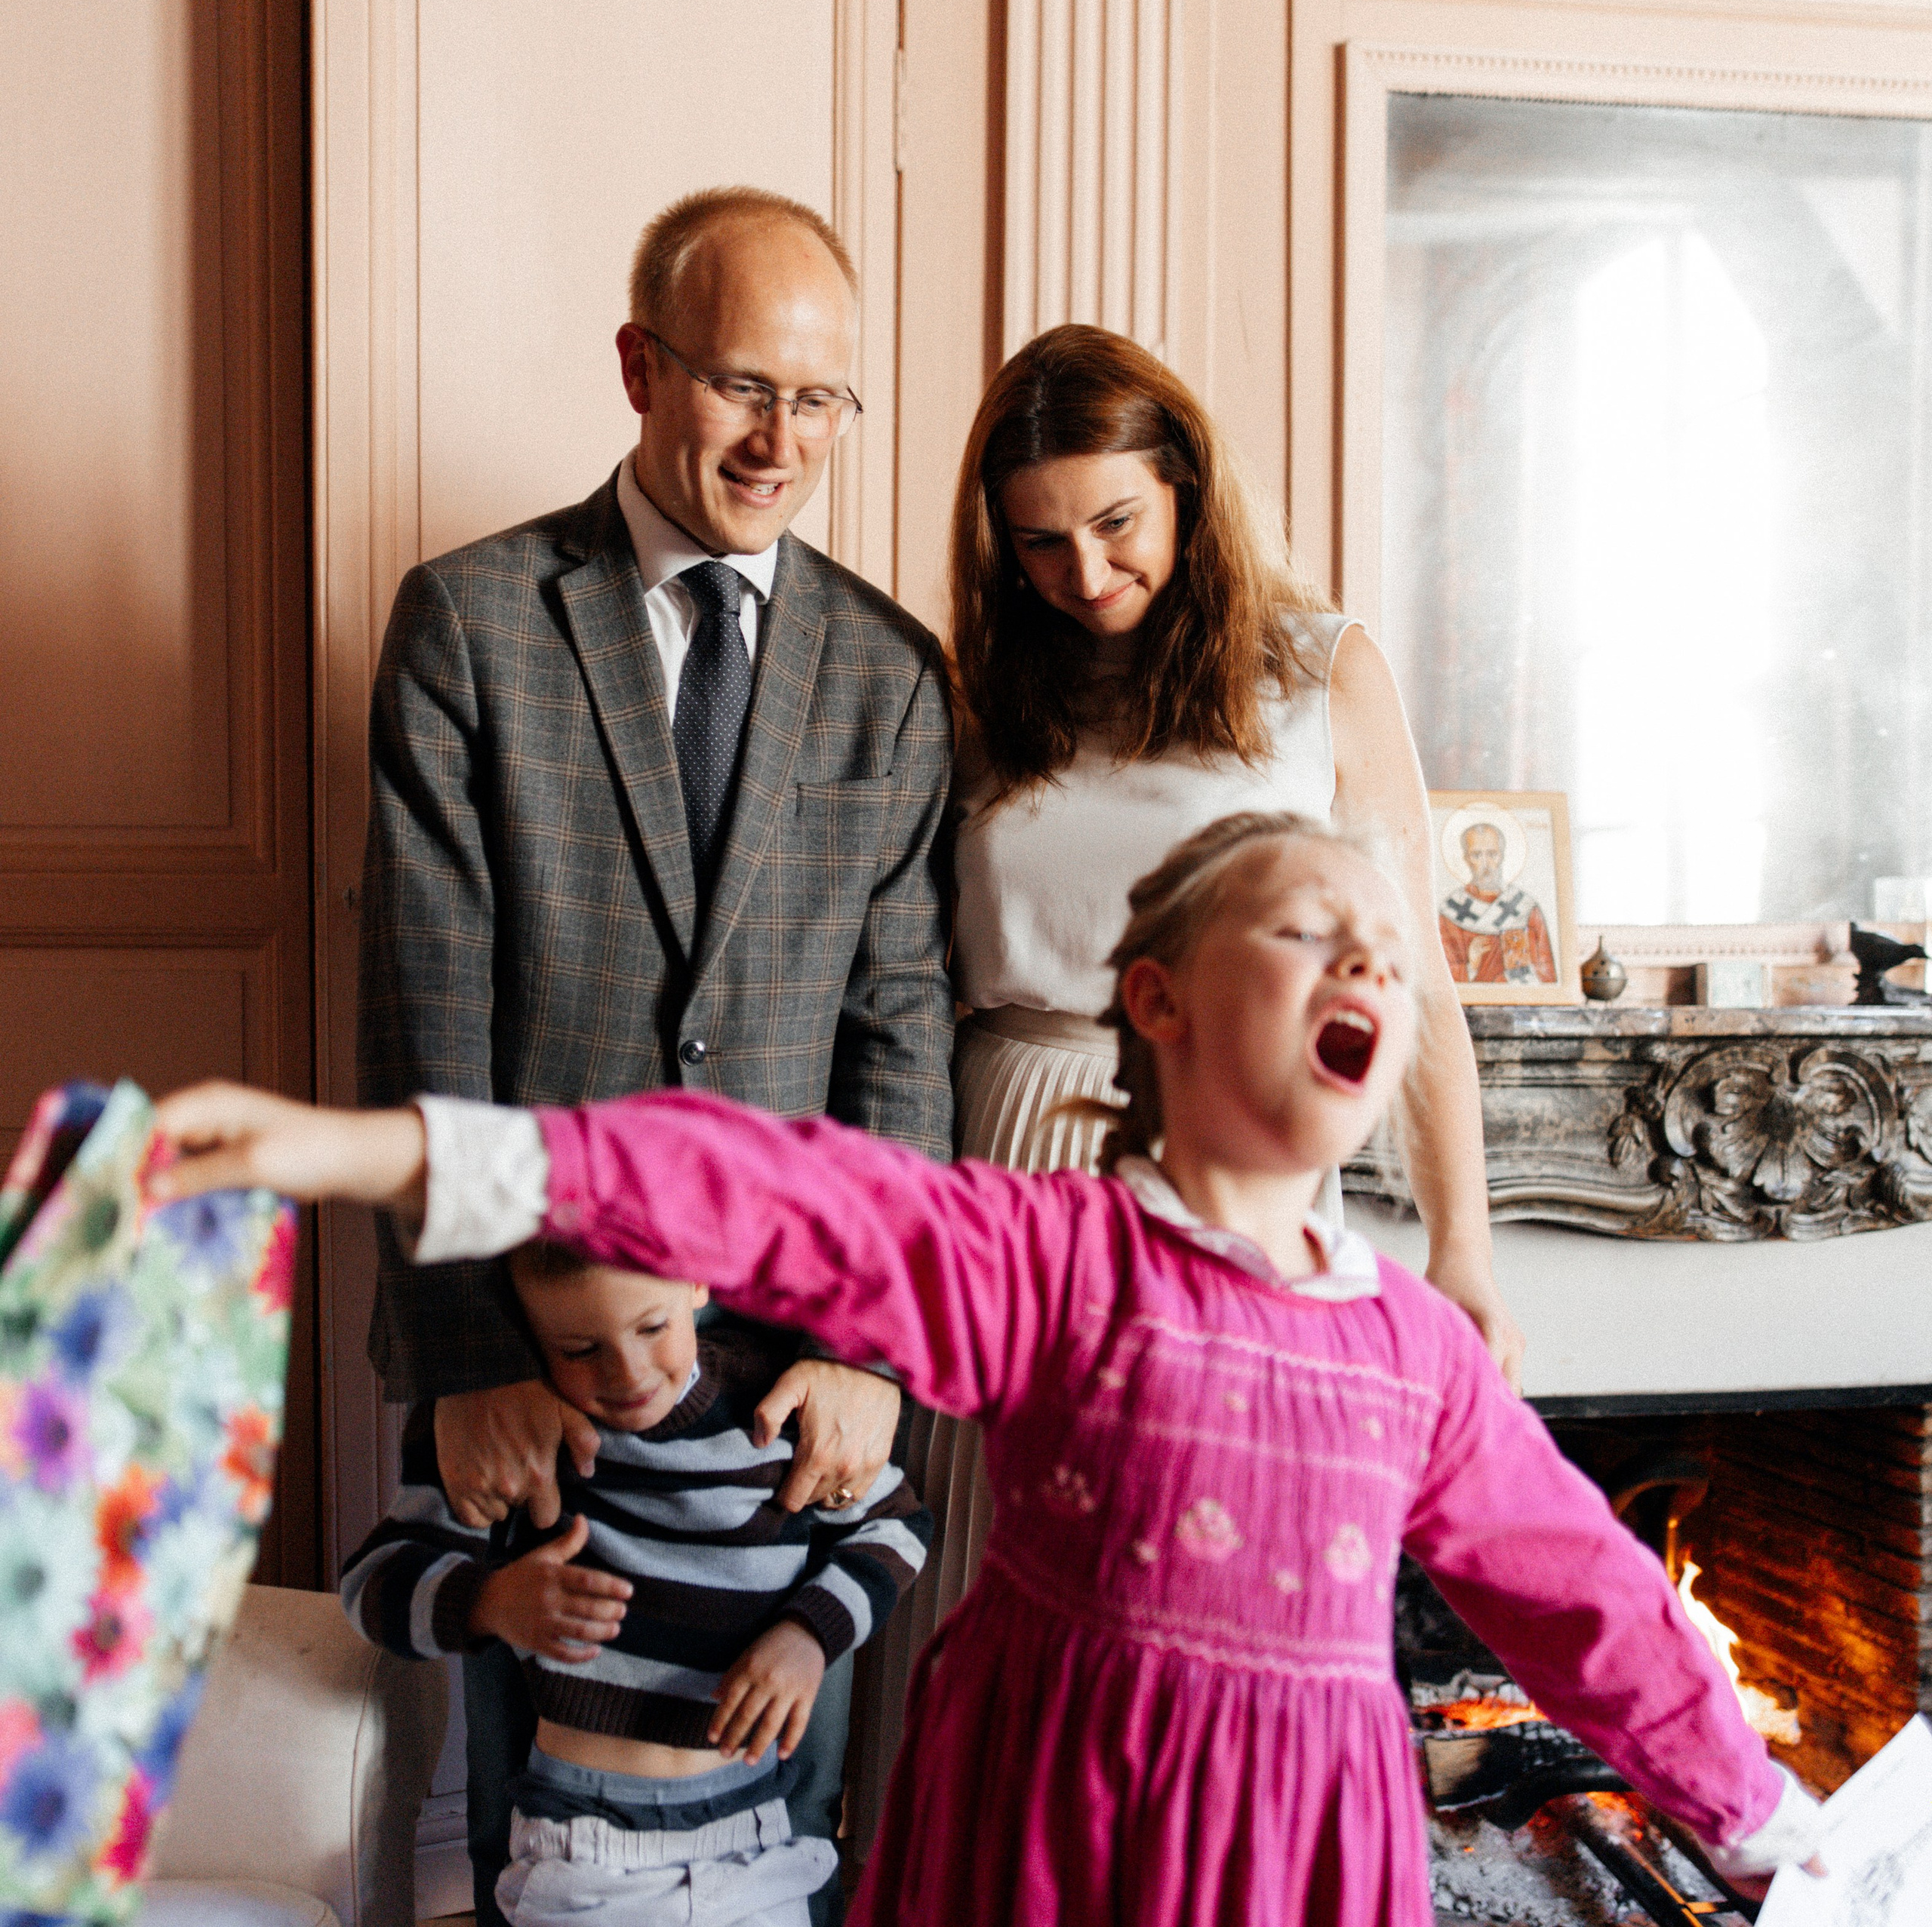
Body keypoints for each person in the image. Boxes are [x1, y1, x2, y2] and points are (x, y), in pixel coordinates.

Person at [155, 810, 1823, 1925]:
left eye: (1385, 945)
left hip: (1302, 1859)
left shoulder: (1416, 1354)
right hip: (1046, 1836)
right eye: (1310, 928)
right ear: (1157, 1001)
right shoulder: (1052, 1255)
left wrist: (1756, 1818)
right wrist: (377, 1146)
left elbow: (1588, 1591)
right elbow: (765, 1185)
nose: (1366, 961)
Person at [357, 185, 955, 1920]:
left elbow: (897, 1035)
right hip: (540, 1361)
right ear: (639, 366)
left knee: (789, 1827)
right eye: (738, 385)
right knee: (525, 1835)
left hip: (790, 1379)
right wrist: (469, 1354)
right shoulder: (470, 623)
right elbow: (424, 1005)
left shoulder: (892, 674)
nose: (780, 439)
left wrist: (872, 1347)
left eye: (821, 400)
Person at [883, 324, 1522, 1748]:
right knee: (994, 1615)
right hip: (1008, 1168)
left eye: (1116, 522)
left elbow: (1407, 984)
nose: (1088, 574)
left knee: (1192, 1618)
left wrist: (1462, 1247)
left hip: (1230, 1165)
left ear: (1184, 479)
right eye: (1040, 542)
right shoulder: (985, 688)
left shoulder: (1316, 669)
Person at [338, 1243, 931, 1927]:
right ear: (526, 1330)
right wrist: (489, 1601)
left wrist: (809, 1634)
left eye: (652, 1328)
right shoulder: (519, 1435)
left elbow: (899, 1525)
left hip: (756, 1847)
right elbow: (372, 1584)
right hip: (584, 1860)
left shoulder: (773, 1411)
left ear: (699, 1281)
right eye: (581, 1347)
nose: (629, 1373)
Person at [1438, 818, 1558, 987]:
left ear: (1502, 855)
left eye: (1492, 854)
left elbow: (1549, 975)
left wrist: (1511, 979)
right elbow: (1437, 979)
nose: (1486, 864)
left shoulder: (1526, 908)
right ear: (1466, 859)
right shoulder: (1451, 911)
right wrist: (1471, 966)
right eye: (1477, 855)